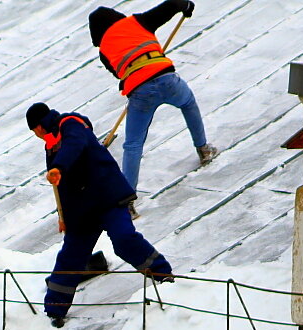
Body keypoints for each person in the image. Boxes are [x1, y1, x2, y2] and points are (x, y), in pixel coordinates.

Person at [25, 102, 173, 327]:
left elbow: (75, 146)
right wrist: (63, 216)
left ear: (38, 126)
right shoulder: (50, 147)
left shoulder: (71, 124)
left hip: (107, 199)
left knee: (124, 239)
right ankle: (54, 310)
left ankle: (164, 277)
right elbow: (62, 187)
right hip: (82, 212)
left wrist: (59, 168)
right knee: (71, 256)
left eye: (34, 130)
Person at [89, 0, 217, 196]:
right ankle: (203, 149)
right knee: (188, 103)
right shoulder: (137, 22)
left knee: (133, 143)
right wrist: (187, 7)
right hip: (166, 78)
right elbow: (172, 4)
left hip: (140, 92)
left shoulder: (104, 50)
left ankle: (128, 198)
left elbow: (120, 72)